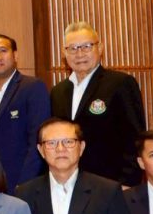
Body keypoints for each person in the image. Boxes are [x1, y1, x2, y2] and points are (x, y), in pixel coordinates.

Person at [49, 22, 146, 187]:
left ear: (100, 48)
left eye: (86, 46)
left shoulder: (120, 83)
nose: (80, 54)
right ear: (64, 53)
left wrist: (127, 183)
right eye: (73, 48)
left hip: (111, 183)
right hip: (69, 184)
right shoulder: (58, 92)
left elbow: (135, 138)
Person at [0, 34, 49, 191]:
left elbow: (38, 139)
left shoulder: (32, 87)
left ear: (15, 55)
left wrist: (25, 182)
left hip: (20, 180)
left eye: (3, 51)